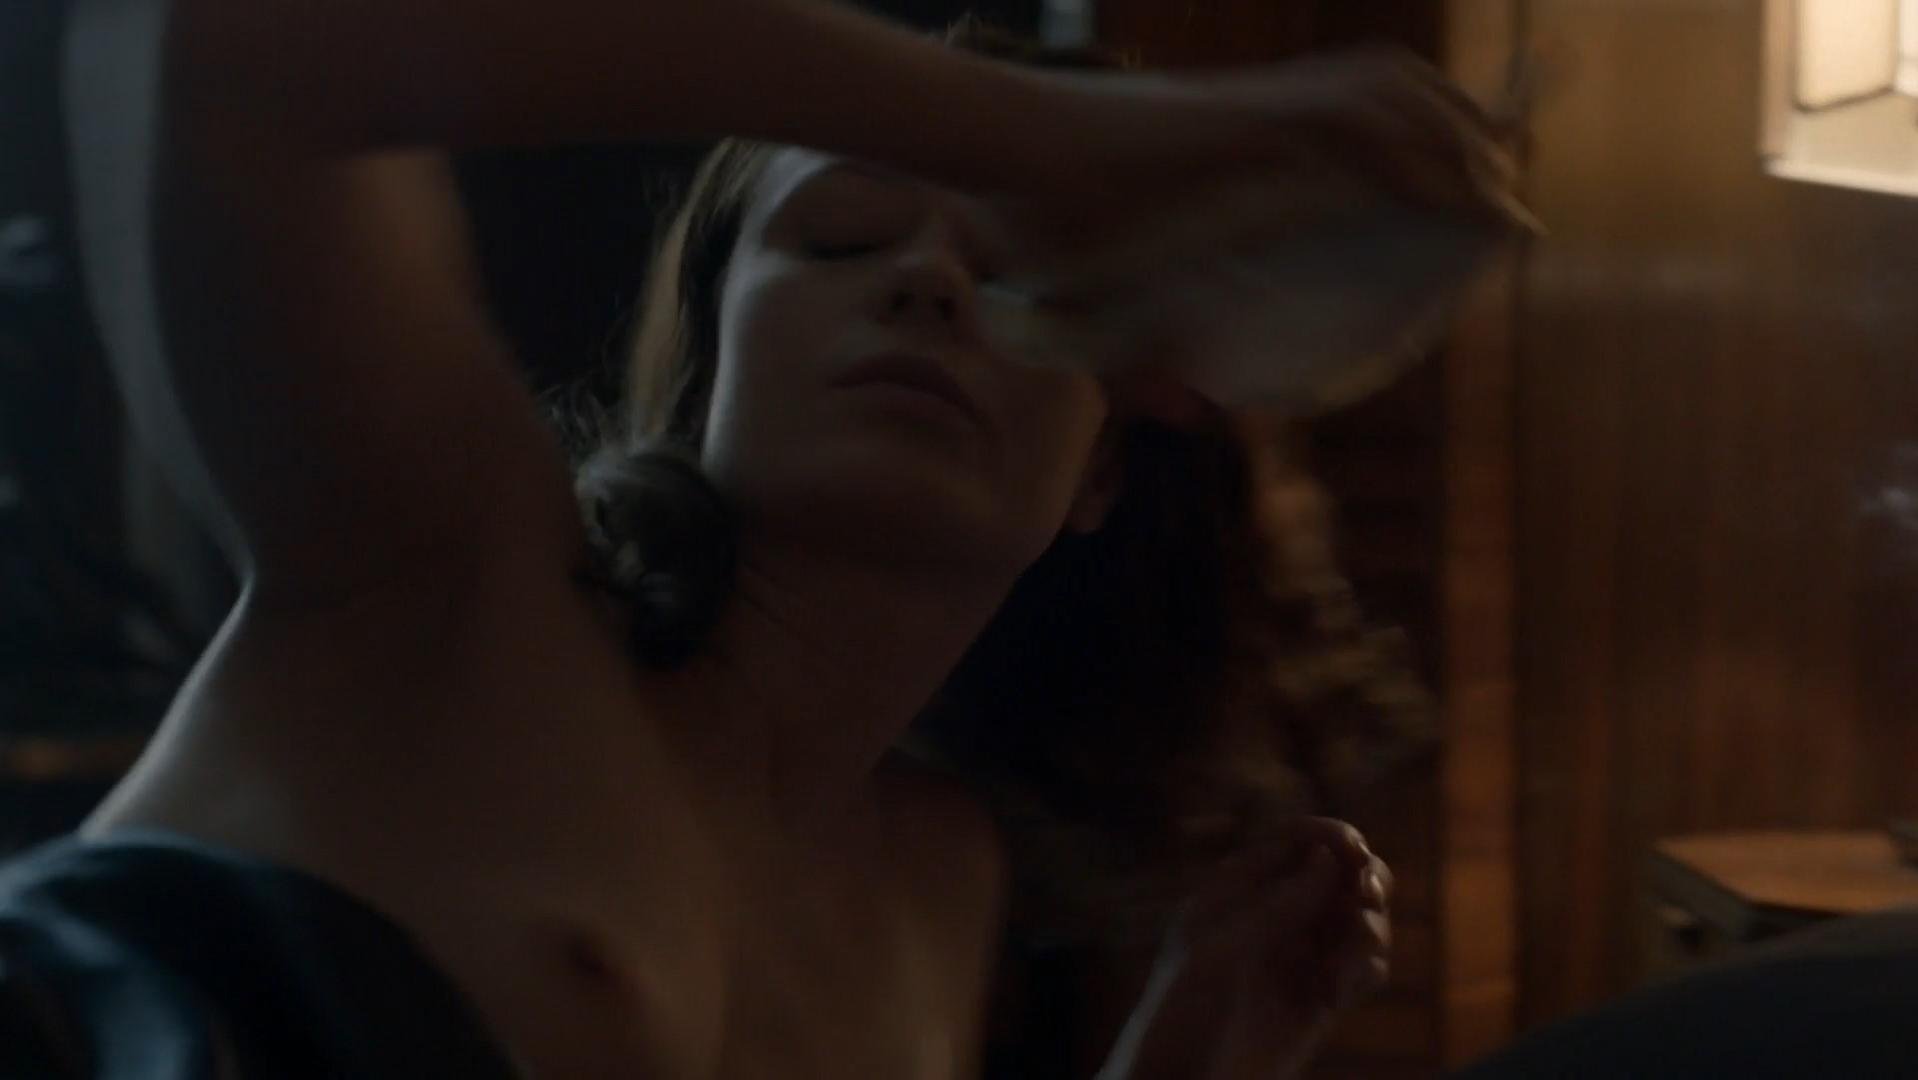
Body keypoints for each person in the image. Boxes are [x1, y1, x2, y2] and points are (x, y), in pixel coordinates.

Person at [1, 0, 1515, 1075]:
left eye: (1015, 275)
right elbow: (227, 52)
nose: (928, 282)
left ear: (1101, 470)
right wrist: (1053, 142)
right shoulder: (456, 584)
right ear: (710, 368)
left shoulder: (945, 886)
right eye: (841, 236)